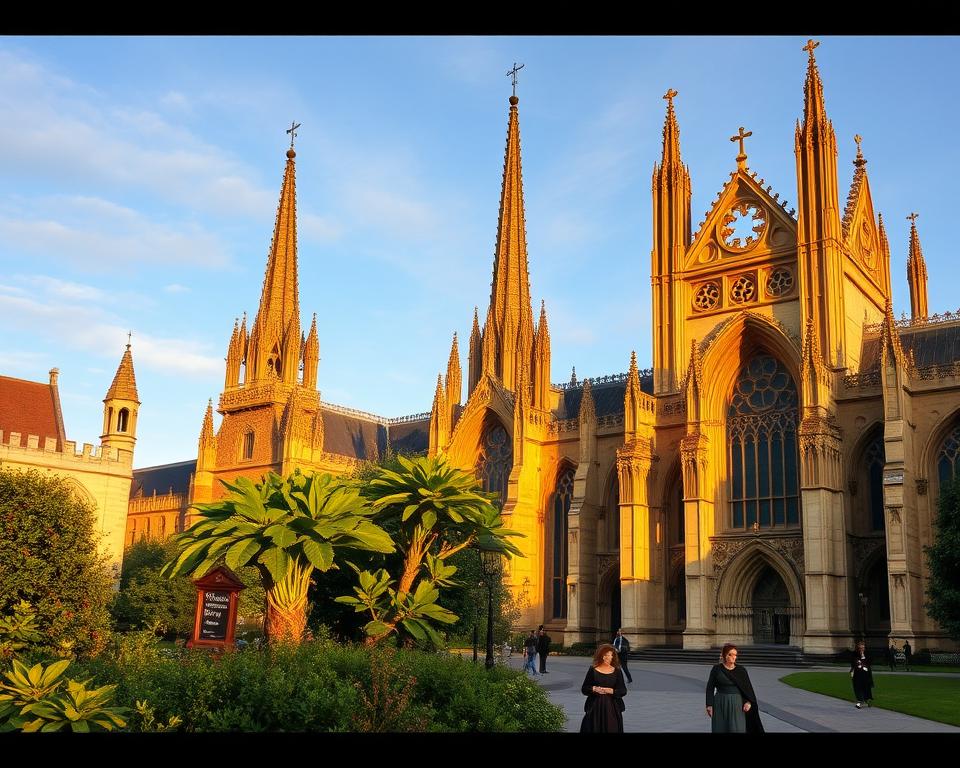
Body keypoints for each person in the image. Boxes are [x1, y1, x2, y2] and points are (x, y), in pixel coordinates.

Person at [705, 643, 765, 733]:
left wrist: (748, 702)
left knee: (736, 728)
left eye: (735, 655)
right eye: (730, 654)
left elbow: (748, 689)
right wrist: (709, 704)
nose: (734, 657)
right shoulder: (716, 669)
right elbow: (710, 687)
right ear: (724, 655)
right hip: (720, 703)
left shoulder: (741, 670)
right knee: (720, 728)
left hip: (737, 704)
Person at [580, 643, 628, 733]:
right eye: (606, 655)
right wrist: (594, 689)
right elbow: (584, 688)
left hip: (612, 708)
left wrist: (612, 691)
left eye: (610, 655)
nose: (608, 657)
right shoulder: (593, 669)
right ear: (601, 656)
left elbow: (623, 691)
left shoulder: (617, 670)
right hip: (594, 707)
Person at [850, 640, 874, 708]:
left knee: (866, 686)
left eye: (863, 647)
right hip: (857, 674)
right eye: (861, 648)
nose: (862, 649)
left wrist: (863, 657)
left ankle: (866, 699)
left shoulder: (867, 654)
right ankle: (860, 700)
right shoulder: (855, 654)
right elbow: (853, 663)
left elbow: (869, 662)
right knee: (858, 687)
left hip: (866, 674)